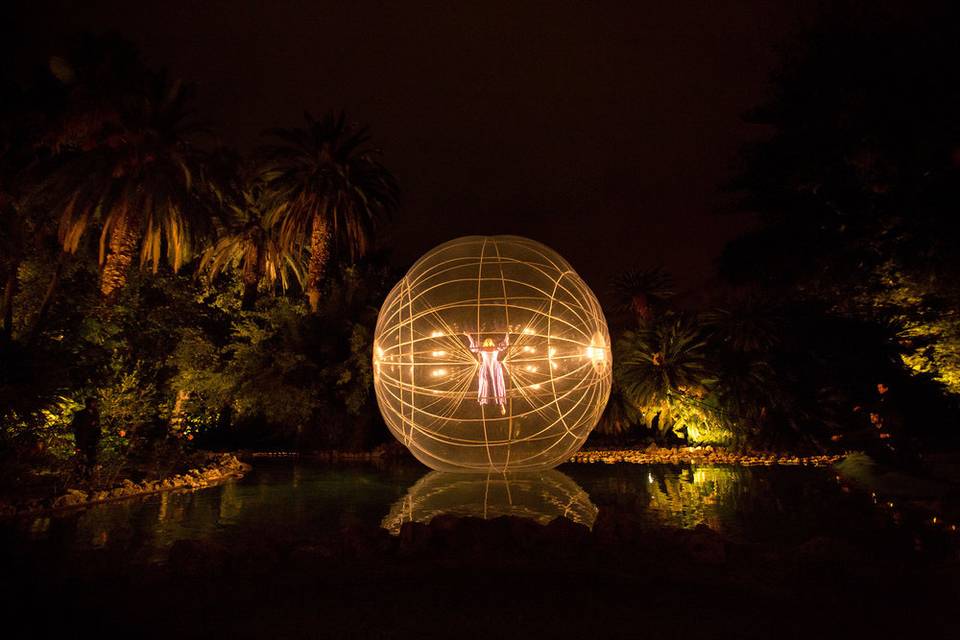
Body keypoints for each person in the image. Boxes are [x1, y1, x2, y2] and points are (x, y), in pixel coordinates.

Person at [467, 333, 510, 414]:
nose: (488, 342)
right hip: (486, 367)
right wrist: (469, 336)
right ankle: (485, 400)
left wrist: (507, 335)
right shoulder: (482, 349)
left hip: (495, 368)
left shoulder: (496, 348)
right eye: (487, 341)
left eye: (490, 341)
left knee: (496, 384)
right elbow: (473, 347)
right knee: (486, 383)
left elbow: (505, 344)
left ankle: (500, 403)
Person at [71, 397, 101, 477]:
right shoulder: (80, 414)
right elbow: (74, 426)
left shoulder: (95, 413)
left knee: (92, 457)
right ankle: (79, 474)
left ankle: (89, 475)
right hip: (82, 439)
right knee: (82, 457)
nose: (95, 404)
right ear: (87, 403)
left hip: (93, 439)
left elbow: (97, 426)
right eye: (93, 403)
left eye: (95, 403)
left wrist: (98, 435)